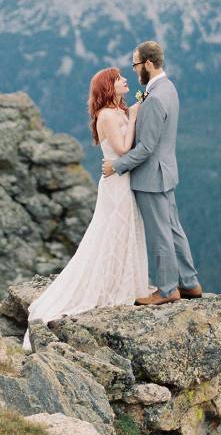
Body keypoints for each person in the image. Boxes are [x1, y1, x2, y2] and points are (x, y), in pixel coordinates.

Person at [22, 67, 148, 350]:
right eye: (118, 79)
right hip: (116, 183)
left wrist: (132, 113)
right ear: (109, 86)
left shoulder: (118, 111)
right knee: (112, 233)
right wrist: (136, 116)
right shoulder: (106, 115)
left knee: (123, 232)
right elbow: (123, 149)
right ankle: (110, 285)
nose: (125, 80)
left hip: (121, 180)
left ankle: (120, 281)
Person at [102, 41, 201, 306]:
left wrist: (116, 166)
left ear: (147, 63)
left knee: (160, 234)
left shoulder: (155, 98)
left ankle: (168, 289)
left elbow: (146, 148)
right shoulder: (168, 88)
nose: (134, 71)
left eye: (135, 65)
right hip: (166, 172)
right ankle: (190, 283)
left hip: (151, 177)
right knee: (173, 229)